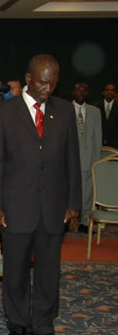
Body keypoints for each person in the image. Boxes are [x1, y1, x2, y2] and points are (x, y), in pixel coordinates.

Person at [0, 54, 81, 335]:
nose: (47, 88)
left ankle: (43, 323)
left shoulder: (63, 111)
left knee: (49, 270)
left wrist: (73, 202)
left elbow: (72, 161)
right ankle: (17, 323)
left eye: (52, 82)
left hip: (53, 206)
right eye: (42, 81)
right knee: (14, 270)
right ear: (28, 78)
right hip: (15, 206)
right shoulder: (4, 113)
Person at [72, 82, 102, 233]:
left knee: (88, 192)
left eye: (84, 90)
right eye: (78, 89)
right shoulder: (65, 110)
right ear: (73, 92)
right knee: (68, 190)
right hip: (70, 159)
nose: (81, 92)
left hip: (89, 159)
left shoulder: (95, 111)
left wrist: (95, 162)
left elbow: (98, 138)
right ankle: (66, 221)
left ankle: (85, 221)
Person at [96, 82, 117, 147]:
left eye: (112, 90)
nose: (109, 92)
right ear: (103, 92)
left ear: (115, 92)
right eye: (107, 90)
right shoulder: (95, 107)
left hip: (116, 146)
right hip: (99, 144)